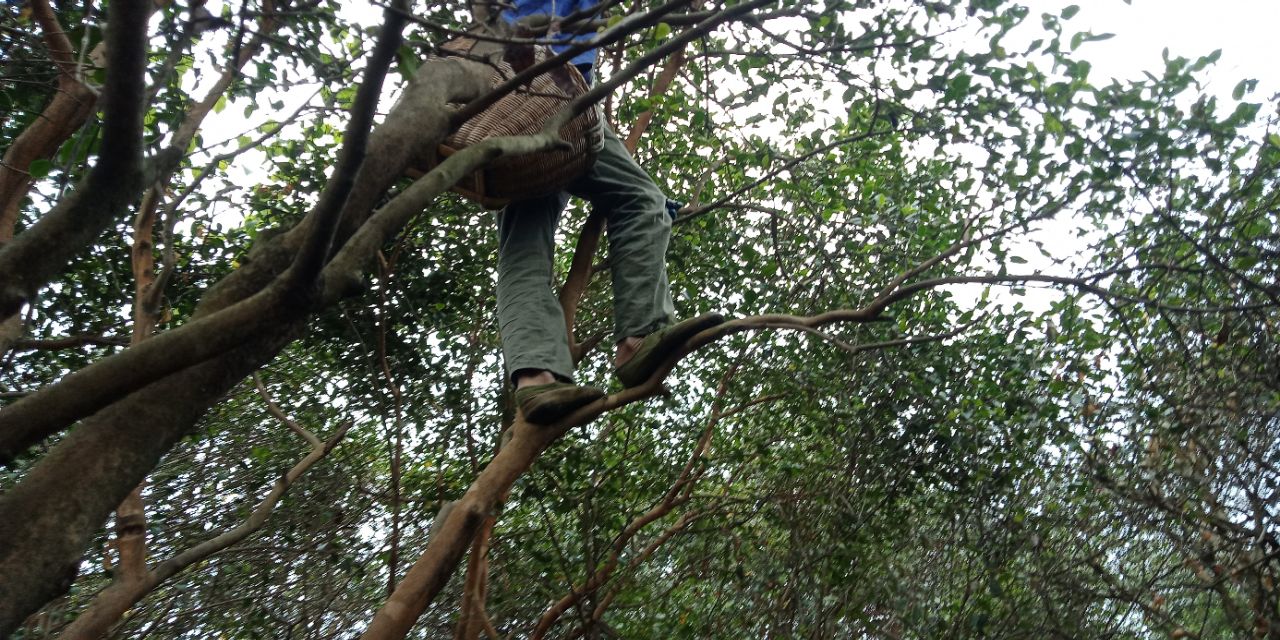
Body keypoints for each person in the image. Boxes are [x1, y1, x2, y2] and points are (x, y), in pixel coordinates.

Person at [496, 0, 724, 423]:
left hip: (502, 100)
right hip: (557, 87)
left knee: (524, 238)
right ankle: (638, 341)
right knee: (640, 200)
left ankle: (535, 381)